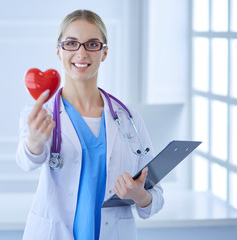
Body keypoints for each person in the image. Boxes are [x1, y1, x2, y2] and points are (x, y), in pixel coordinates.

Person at [16, 9, 164, 240]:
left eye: (92, 44)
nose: (81, 53)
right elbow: (26, 161)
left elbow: (155, 197)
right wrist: (33, 143)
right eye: (71, 43)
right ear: (59, 50)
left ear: (104, 53)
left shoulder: (129, 119)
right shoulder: (41, 114)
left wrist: (138, 195)